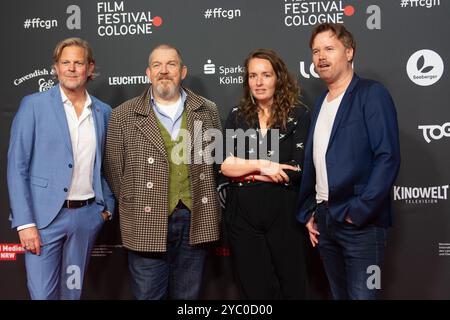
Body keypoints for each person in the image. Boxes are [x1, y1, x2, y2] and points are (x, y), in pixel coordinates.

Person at [103, 44, 222, 300]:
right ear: (148, 73)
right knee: (148, 296)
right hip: (145, 222)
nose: (164, 71)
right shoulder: (123, 115)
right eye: (157, 65)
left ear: (183, 71)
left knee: (188, 299)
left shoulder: (207, 110)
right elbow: (114, 170)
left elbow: (216, 164)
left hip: (195, 220)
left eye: (171, 64)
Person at [296, 23, 401, 300]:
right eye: (316, 51)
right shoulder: (320, 103)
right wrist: (311, 211)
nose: (321, 57)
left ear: (350, 52)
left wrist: (360, 211)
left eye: (329, 49)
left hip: (360, 225)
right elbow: (317, 161)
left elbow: (387, 157)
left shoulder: (371, 93)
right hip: (325, 222)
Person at [7, 37, 115, 300]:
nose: (71, 68)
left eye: (78, 63)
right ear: (56, 67)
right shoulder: (33, 105)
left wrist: (106, 208)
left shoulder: (103, 111)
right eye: (65, 62)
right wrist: (25, 223)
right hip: (44, 221)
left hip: (86, 219)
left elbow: (107, 166)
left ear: (90, 68)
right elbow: (16, 166)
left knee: (73, 292)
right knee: (43, 295)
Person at [220, 49, 310, 299]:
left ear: (278, 78)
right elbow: (225, 166)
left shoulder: (298, 114)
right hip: (242, 215)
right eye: (252, 76)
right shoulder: (237, 116)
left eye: (266, 75)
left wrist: (245, 170)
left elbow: (295, 169)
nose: (258, 82)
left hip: (284, 211)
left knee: (292, 285)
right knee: (253, 289)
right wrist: (264, 165)